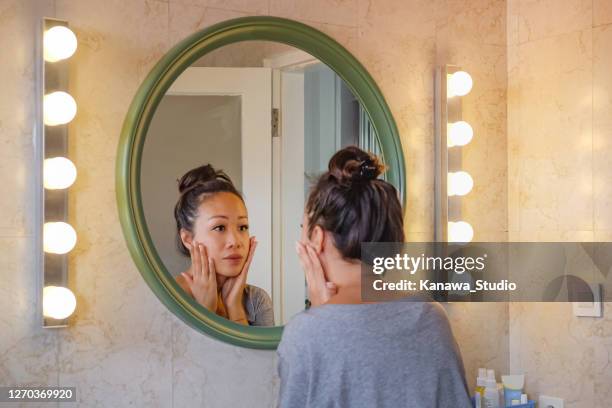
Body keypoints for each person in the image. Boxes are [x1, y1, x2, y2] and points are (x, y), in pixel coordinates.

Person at [277, 146, 472, 407]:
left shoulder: (305, 334)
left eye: (304, 228)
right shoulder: (432, 319)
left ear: (317, 238)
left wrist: (319, 314)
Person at [173, 164, 274, 326]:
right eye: (219, 227)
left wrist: (235, 308)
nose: (235, 241)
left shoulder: (257, 300)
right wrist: (205, 313)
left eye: (242, 227)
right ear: (188, 239)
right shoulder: (168, 300)